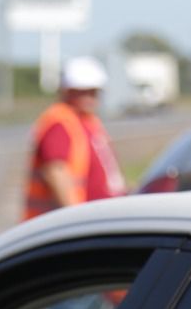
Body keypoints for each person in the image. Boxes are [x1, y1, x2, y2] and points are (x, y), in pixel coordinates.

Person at [22, 55, 126, 220]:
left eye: (93, 92)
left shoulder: (88, 122)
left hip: (99, 217)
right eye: (82, 92)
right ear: (67, 91)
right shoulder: (60, 123)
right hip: (73, 224)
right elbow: (56, 171)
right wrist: (76, 219)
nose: (89, 97)